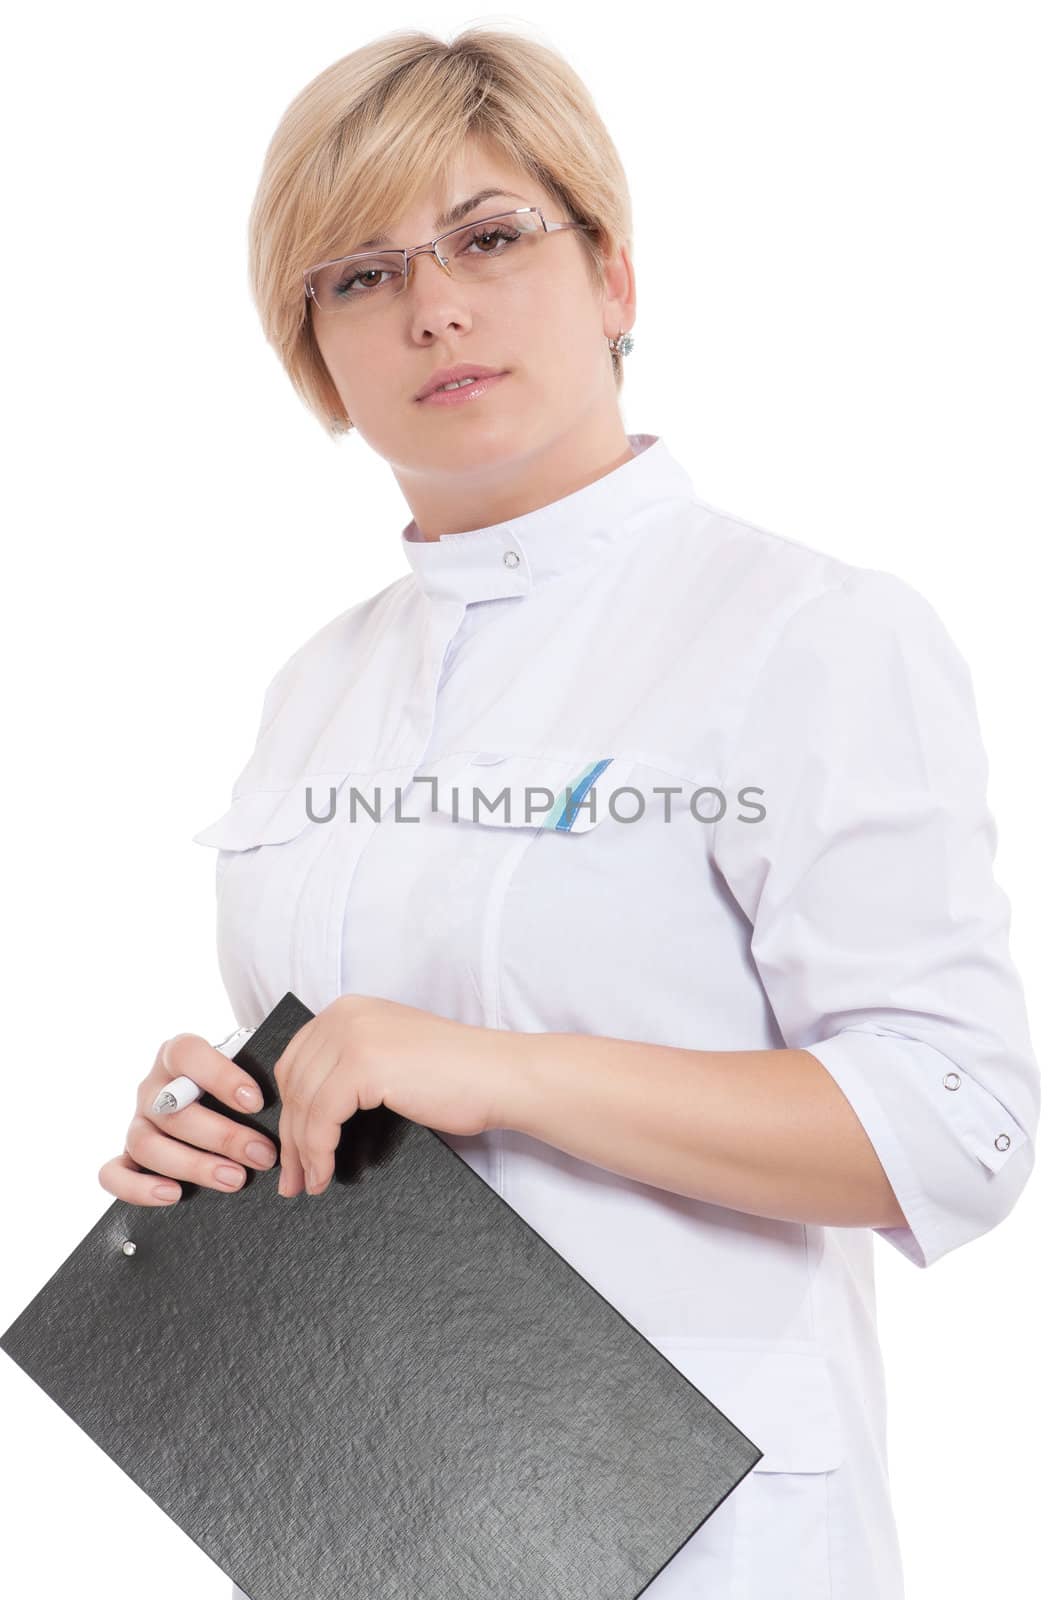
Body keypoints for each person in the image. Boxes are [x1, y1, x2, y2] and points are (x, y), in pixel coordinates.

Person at [97, 24, 1041, 1600]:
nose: (434, 305)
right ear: (314, 354)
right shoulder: (314, 687)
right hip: (375, 1516)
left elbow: (960, 1124)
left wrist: (495, 1070)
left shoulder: (807, 631)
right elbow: (358, 1105)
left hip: (710, 1541)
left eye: (489, 237)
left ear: (612, 279)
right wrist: (228, 1141)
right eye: (357, 274)